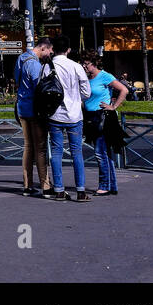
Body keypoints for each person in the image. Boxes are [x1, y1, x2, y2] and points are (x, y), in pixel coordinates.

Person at [46, 36, 91, 201]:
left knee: (56, 152)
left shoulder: (47, 67)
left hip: (54, 115)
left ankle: (58, 190)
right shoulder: (76, 66)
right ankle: (80, 191)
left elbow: (41, 88)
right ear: (68, 50)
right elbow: (86, 92)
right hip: (74, 116)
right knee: (77, 153)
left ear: (53, 49)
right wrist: (76, 99)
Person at [79, 50, 127, 196]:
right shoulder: (86, 78)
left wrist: (113, 106)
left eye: (86, 64)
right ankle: (111, 185)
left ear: (94, 64)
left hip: (103, 117)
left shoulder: (104, 76)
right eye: (83, 64)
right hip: (91, 118)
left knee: (100, 153)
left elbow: (123, 90)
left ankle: (104, 185)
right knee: (105, 153)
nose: (84, 67)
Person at [14, 36, 53, 197]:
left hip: (22, 108)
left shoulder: (21, 58)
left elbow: (17, 80)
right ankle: (45, 185)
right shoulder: (35, 64)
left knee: (28, 146)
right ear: (43, 47)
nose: (49, 55)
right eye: (49, 52)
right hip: (34, 110)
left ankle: (27, 185)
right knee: (40, 148)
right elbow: (40, 87)